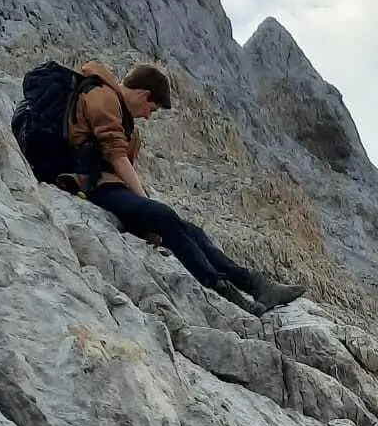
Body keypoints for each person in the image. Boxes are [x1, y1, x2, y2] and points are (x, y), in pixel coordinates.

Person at [70, 61, 305, 316]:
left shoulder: (121, 115)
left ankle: (256, 285)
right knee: (164, 217)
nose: (148, 115)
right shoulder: (103, 98)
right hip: (84, 183)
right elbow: (116, 156)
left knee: (190, 231)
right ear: (144, 94)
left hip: (104, 185)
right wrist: (149, 208)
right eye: (152, 108)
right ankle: (225, 290)